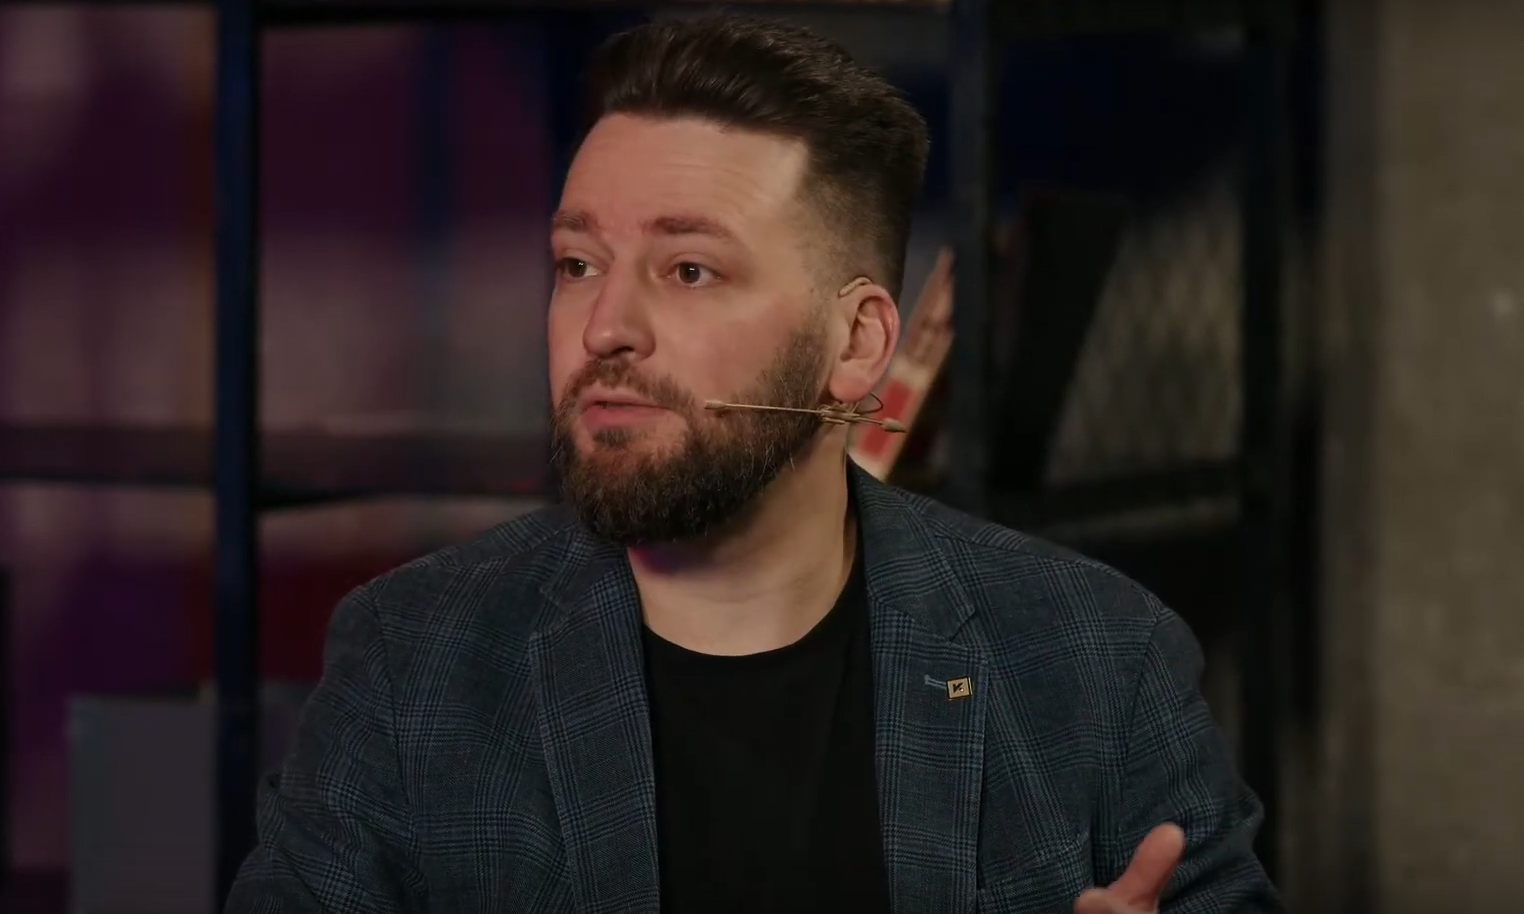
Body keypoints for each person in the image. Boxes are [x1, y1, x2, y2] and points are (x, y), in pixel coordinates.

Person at [225, 14, 1281, 914]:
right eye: (577, 263)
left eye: (689, 269)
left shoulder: (1094, 659)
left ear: (858, 344)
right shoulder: (414, 661)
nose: (604, 327)